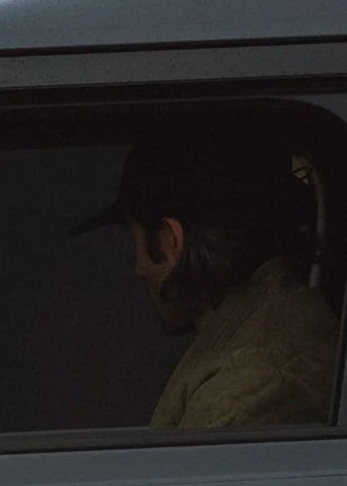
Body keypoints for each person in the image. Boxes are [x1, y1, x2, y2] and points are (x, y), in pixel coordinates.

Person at [71, 130, 338, 429]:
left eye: (133, 241)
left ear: (170, 240)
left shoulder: (254, 387)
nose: (138, 268)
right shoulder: (265, 327)